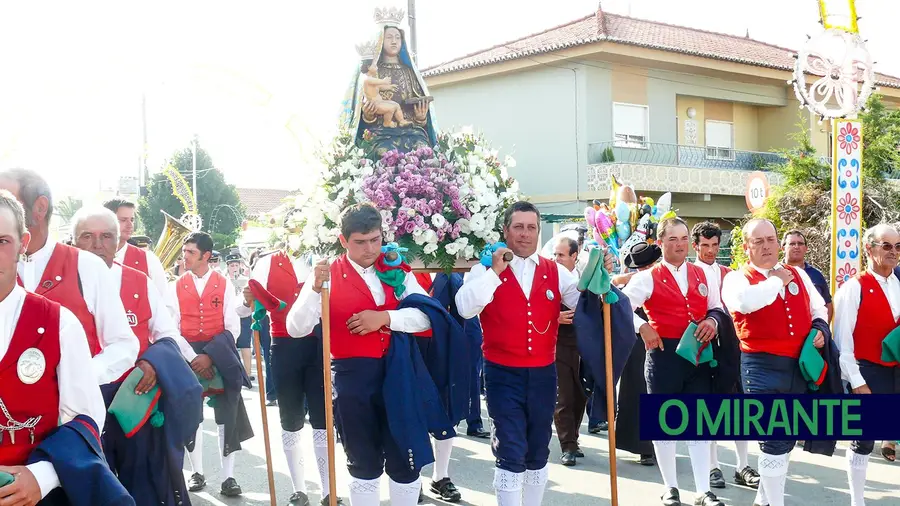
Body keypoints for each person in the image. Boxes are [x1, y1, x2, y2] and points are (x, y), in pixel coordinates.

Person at [454, 201, 614, 506]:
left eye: (531, 228)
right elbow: (465, 307)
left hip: (543, 373)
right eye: (518, 227)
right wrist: (494, 272)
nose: (525, 234)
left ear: (539, 232)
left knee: (538, 448)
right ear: (506, 230)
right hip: (502, 372)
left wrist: (599, 276)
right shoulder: (484, 269)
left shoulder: (553, 270)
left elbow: (584, 301)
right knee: (511, 448)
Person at [287, 203, 432, 506]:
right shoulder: (326, 274)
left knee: (405, 460)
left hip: (399, 372)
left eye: (375, 240)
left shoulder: (396, 270)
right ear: (343, 240)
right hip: (352, 379)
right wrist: (314, 289)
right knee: (362, 462)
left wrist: (385, 319)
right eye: (360, 242)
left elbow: (426, 317)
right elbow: (296, 328)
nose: (370, 249)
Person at [72, 205, 203, 506]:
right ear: (72, 243)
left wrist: (152, 363)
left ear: (118, 240)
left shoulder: (139, 281)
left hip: (134, 400)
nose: (97, 244)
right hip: (78, 403)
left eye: (106, 236)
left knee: (142, 485)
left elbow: (167, 334)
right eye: (87, 237)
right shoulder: (58, 287)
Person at [0, 189, 114, 505]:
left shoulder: (58, 322)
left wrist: (43, 475)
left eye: (1, 242)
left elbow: (86, 418)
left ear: (22, 243)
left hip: (31, 497)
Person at [722, 219, 829, 506]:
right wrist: (777, 281)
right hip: (760, 366)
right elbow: (746, 303)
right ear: (747, 247)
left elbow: (819, 307)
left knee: (787, 438)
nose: (767, 246)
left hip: (797, 367)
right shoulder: (737, 278)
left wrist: (820, 328)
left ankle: (762, 500)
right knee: (772, 437)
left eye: (771, 239)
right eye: (759, 241)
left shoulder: (799, 274)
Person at [0, 168, 139, 386]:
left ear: (40, 208)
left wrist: (78, 378)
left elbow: (123, 345)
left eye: (5, 200)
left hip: (70, 414)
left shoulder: (87, 266)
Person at [622, 217, 725, 506]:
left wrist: (713, 322)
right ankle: (670, 487)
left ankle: (703, 490)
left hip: (697, 357)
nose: (678, 245)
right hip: (663, 356)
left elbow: (717, 307)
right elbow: (620, 306)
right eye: (672, 240)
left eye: (682, 239)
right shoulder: (647, 277)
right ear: (661, 242)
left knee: (699, 424)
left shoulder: (702, 273)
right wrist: (641, 326)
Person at [242, 249, 341, 506]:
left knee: (322, 419)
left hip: (320, 343)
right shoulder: (266, 262)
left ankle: (328, 489)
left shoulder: (325, 255)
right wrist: (247, 301)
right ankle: (299, 489)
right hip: (284, 346)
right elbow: (243, 306)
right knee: (290, 418)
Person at [169, 232, 250, 497]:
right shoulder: (176, 286)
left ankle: (229, 477)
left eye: (190, 252)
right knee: (192, 414)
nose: (185, 256)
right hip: (187, 353)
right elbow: (171, 327)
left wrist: (211, 356)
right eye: (185, 251)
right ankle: (197, 473)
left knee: (227, 414)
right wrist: (193, 357)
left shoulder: (224, 283)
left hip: (219, 351)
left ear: (206, 256)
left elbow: (232, 326)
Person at [833, 224, 900, 506]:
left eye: (897, 247)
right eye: (886, 246)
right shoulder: (853, 288)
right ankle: (857, 501)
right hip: (868, 373)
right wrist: (857, 382)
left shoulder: (898, 284)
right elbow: (842, 342)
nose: (893, 252)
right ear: (868, 249)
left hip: (896, 372)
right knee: (863, 441)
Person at [691, 221, 760, 490]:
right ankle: (712, 466)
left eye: (714, 245)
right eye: (705, 245)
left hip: (732, 345)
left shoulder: (729, 274)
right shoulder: (689, 274)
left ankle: (742, 465)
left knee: (738, 405)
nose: (710, 250)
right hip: (701, 345)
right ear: (695, 246)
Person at [611, 241, 660, 466]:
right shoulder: (633, 283)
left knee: (648, 392)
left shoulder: (657, 278)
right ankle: (645, 447)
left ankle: (651, 445)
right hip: (636, 340)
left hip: (656, 339)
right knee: (637, 391)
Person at [550, 237, 587, 467]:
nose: (557, 259)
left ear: (575, 256)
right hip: (559, 342)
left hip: (584, 343)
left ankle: (574, 437)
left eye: (561, 255)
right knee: (564, 395)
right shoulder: (550, 277)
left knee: (581, 393)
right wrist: (554, 317)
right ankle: (567, 446)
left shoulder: (583, 277)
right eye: (555, 254)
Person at [103, 198, 169, 304]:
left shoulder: (149, 260)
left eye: (132, 220)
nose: (130, 225)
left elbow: (166, 303)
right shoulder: (89, 258)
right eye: (123, 220)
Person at [783, 230, 833, 322]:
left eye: (800, 243)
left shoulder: (816, 275)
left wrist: (822, 330)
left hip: (811, 332)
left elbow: (827, 305)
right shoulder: (775, 273)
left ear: (806, 248)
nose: (796, 247)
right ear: (783, 248)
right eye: (792, 244)